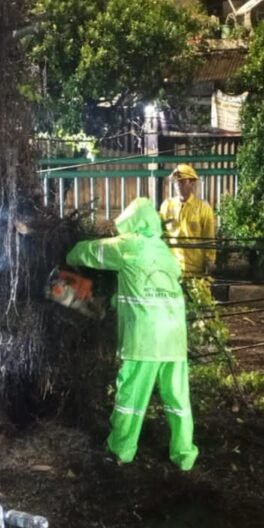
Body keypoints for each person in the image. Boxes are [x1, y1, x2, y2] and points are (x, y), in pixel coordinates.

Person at [66, 198, 198, 471]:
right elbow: (156, 283)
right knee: (178, 398)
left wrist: (68, 253)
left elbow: (91, 252)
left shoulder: (128, 245)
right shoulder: (164, 251)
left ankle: (121, 450)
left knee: (131, 397)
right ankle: (185, 455)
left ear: (131, 222)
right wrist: (118, 300)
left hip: (145, 339)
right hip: (175, 338)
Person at [159, 164, 216, 277]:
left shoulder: (203, 208)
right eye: (176, 182)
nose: (178, 185)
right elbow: (160, 232)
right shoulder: (167, 206)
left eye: (182, 182)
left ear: (192, 183)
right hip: (172, 267)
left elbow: (209, 237)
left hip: (195, 268)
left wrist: (210, 260)